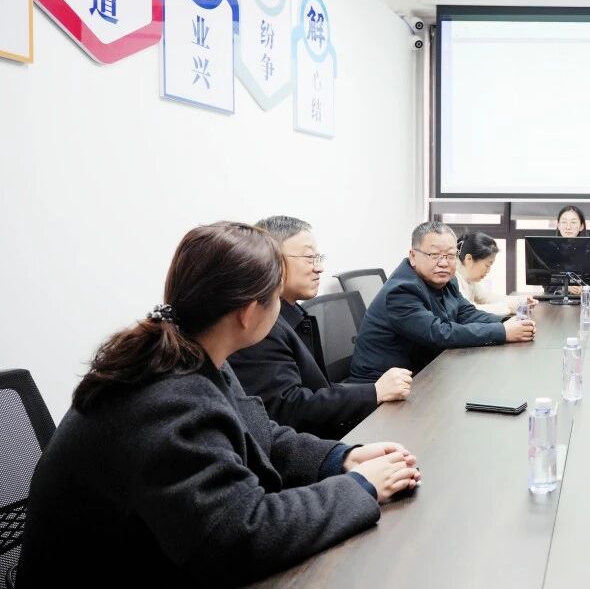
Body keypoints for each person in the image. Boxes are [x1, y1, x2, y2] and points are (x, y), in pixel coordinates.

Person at [19, 222, 420, 585]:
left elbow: (257, 432)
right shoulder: (168, 400)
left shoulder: (192, 349)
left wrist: (339, 459)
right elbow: (240, 536)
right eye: (274, 297)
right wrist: (360, 487)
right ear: (248, 313)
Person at [227, 216, 412, 440]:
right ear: (272, 261)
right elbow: (286, 410)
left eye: (318, 258)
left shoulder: (292, 313)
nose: (320, 268)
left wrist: (374, 391)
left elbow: (315, 390)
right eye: (309, 258)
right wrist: (374, 392)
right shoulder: (260, 327)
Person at [348, 221, 536, 383]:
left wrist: (508, 323)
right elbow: (439, 333)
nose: (444, 263)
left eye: (450, 255)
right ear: (413, 256)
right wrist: (502, 332)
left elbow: (466, 313)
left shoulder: (447, 280)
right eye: (434, 255)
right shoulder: (402, 291)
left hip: (422, 372)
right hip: (380, 386)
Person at [456, 230, 538, 316]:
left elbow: (486, 298)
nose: (488, 271)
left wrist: (522, 301)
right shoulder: (454, 281)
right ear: (469, 259)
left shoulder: (467, 276)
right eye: (487, 265)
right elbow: (470, 311)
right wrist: (509, 307)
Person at [544, 205, 589, 296]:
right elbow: (545, 284)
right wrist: (565, 287)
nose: (568, 227)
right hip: (555, 301)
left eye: (573, 222)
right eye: (564, 222)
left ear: (581, 226)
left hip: (584, 300)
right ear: (558, 225)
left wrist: (584, 288)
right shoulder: (550, 250)